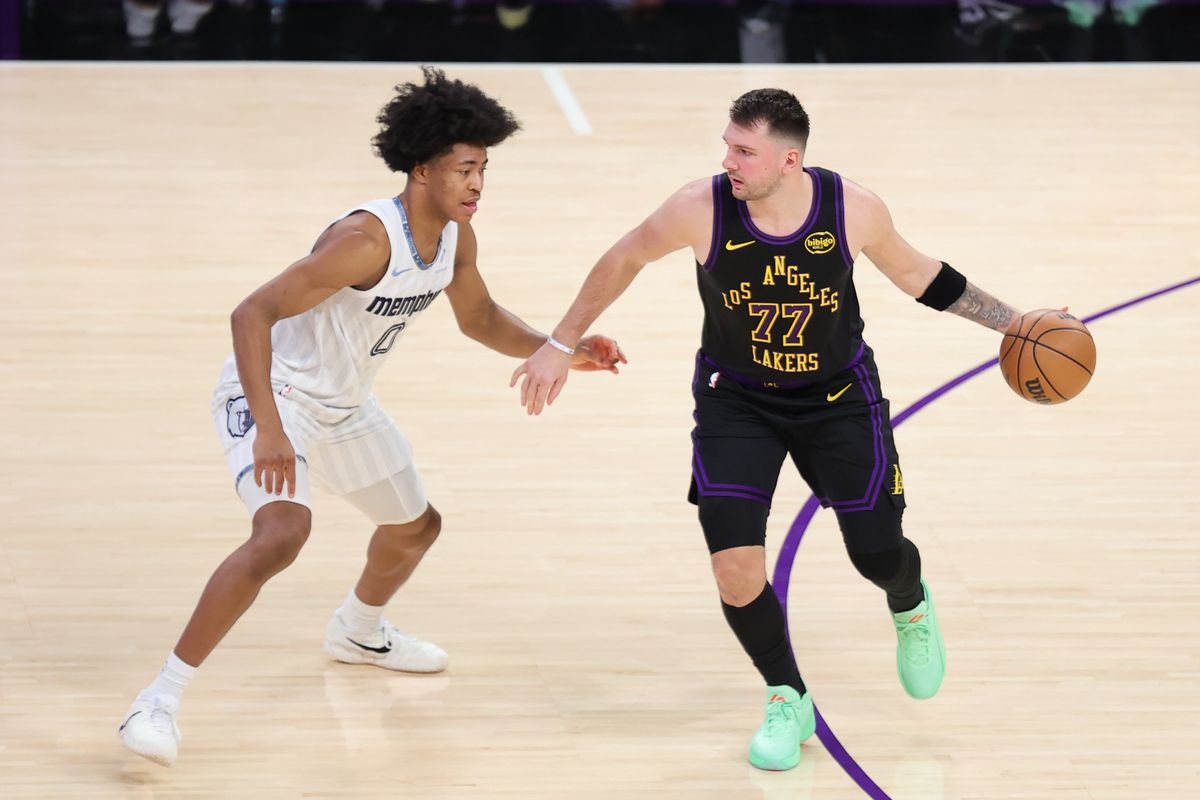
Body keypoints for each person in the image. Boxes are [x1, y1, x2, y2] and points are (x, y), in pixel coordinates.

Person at [118, 67, 625, 768]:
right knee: (282, 534)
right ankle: (158, 700)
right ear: (422, 170)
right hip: (274, 392)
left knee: (416, 528)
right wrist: (269, 428)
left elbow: (479, 318)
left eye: (483, 169)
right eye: (465, 170)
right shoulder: (366, 240)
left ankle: (358, 630)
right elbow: (251, 313)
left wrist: (560, 351)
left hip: (344, 403)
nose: (478, 184)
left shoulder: (455, 238)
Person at [512, 88, 1031, 771]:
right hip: (738, 403)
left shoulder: (852, 208)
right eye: (727, 146)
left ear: (789, 160)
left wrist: (1016, 324)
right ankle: (788, 695)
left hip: (838, 399)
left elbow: (920, 276)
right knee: (734, 570)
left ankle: (910, 604)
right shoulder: (699, 207)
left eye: (744, 151)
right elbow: (624, 257)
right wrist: (559, 341)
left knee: (877, 555)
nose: (729, 161)